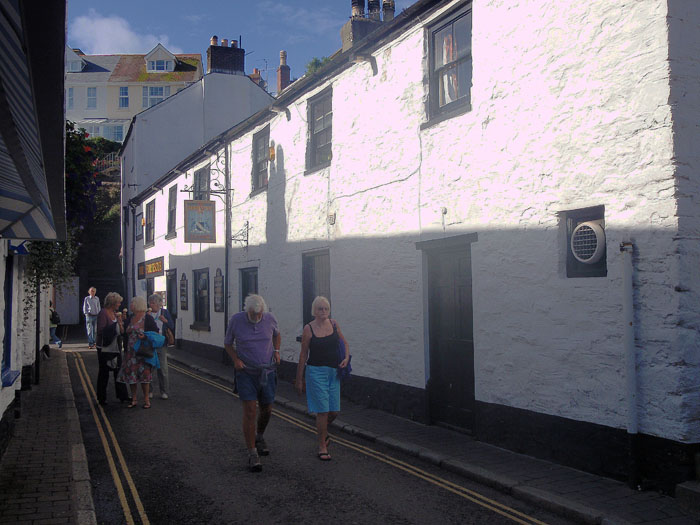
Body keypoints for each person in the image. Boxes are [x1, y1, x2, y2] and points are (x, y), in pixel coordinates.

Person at [224, 294, 281, 472]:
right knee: (250, 410)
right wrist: (235, 359)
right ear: (246, 310)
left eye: (259, 314)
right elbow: (227, 343)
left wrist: (277, 351)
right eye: (253, 314)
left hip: (267, 371)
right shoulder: (236, 320)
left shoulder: (270, 318)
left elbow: (277, 335)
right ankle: (252, 453)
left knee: (268, 409)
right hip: (246, 373)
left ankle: (260, 436)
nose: (256, 318)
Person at [295, 296, 349, 461]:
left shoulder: (334, 324)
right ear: (314, 311)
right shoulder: (308, 329)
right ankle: (322, 446)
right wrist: (299, 379)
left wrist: (346, 358)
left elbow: (344, 343)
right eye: (320, 309)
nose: (323, 312)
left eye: (326, 308)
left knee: (334, 411)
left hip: (334, 373)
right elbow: (303, 354)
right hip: (316, 372)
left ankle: (323, 432)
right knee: (323, 411)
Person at [117, 296, 157, 409]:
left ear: (137, 305)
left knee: (145, 377)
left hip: (143, 353)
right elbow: (124, 332)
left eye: (132, 303)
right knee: (131, 377)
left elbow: (155, 332)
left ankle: (146, 400)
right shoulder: (130, 318)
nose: (130, 306)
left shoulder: (147, 318)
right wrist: (120, 323)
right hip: (130, 353)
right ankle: (134, 399)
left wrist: (144, 336)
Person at [95, 292, 125, 405]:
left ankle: (122, 395)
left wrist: (121, 323)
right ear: (112, 303)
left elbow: (121, 331)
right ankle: (101, 398)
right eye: (118, 302)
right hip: (104, 347)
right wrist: (115, 326)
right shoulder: (103, 313)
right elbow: (101, 331)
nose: (119, 304)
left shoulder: (115, 313)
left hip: (116, 346)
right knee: (104, 372)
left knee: (118, 371)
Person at [148, 294, 175, 400]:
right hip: (150, 344)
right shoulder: (148, 314)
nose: (151, 304)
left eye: (153, 303)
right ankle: (149, 391)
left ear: (159, 304)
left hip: (161, 344)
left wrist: (165, 321)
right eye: (150, 302)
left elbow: (172, 325)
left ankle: (164, 391)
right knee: (149, 368)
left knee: (163, 369)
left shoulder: (164, 313)